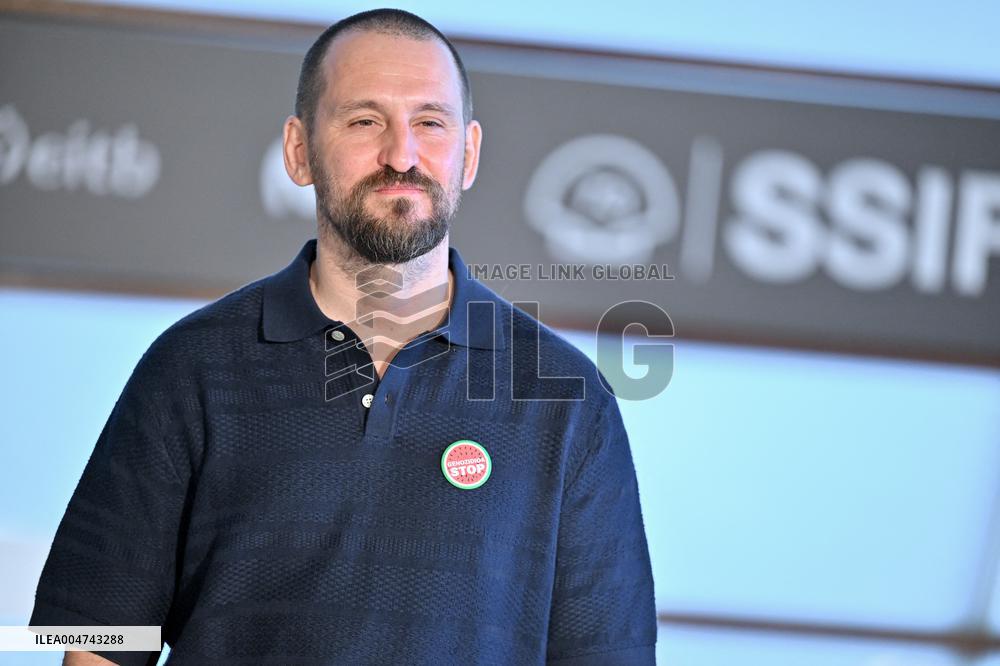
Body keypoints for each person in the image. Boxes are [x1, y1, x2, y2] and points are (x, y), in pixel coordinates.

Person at [31, 8, 657, 665]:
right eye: (365, 121)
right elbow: (100, 641)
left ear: (468, 154)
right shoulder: (190, 369)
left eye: (429, 122)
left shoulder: (566, 401)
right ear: (299, 150)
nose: (401, 155)